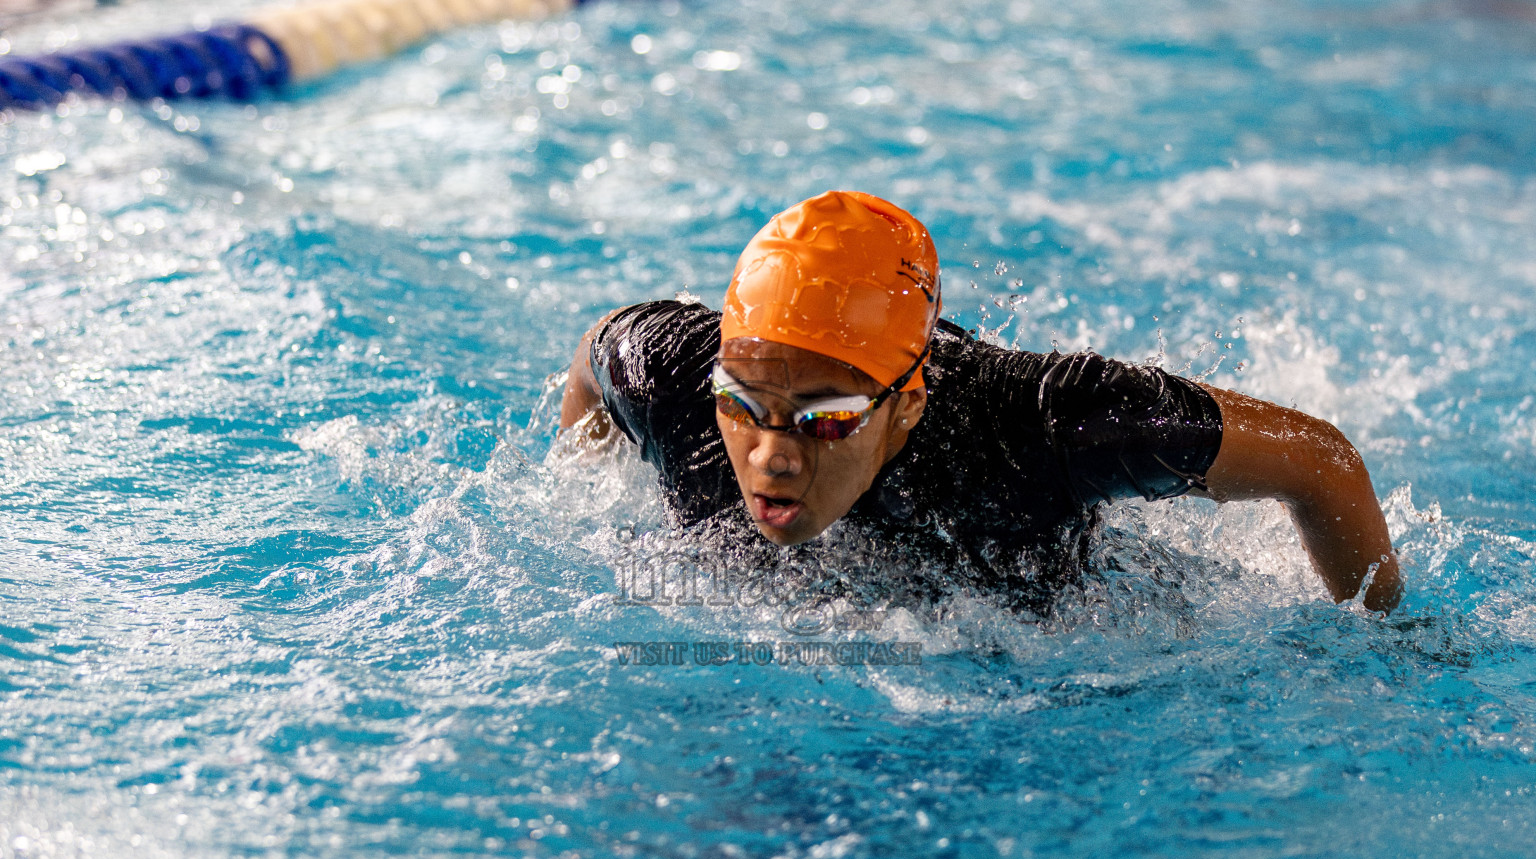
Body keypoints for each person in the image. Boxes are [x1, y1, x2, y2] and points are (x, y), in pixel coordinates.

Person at [559, 191, 1402, 613]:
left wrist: (1379, 653)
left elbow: (1319, 460)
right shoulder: (675, 376)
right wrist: (582, 495)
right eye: (746, 405)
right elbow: (595, 357)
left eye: (825, 418)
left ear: (908, 404)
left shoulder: (1041, 427)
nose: (773, 453)